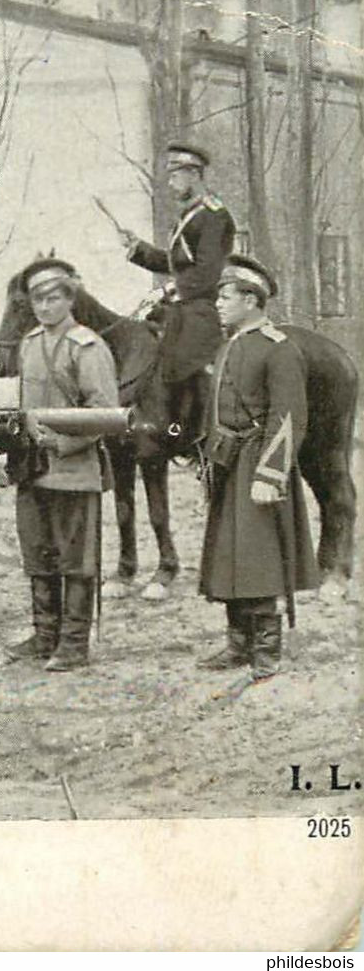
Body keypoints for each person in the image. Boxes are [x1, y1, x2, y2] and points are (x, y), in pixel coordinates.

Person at [197, 256, 318, 680]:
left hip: (257, 463)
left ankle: (267, 648)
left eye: (225, 296)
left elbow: (288, 418)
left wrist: (271, 474)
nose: (218, 304)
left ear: (251, 299)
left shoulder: (278, 348)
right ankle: (238, 642)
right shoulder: (228, 346)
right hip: (228, 463)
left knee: (259, 553)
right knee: (229, 552)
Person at [5, 259, 119, 672]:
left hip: (73, 470)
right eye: (37, 299)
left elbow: (104, 413)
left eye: (54, 297)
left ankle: (73, 643)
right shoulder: (30, 343)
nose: (45, 306)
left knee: (76, 558)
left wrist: (65, 442)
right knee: (38, 552)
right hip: (34, 469)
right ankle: (45, 634)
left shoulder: (87, 346)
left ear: (70, 299)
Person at [121, 142, 236, 437]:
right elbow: (176, 263)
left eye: (175, 177)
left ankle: (195, 433)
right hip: (183, 306)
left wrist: (171, 290)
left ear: (194, 174)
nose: (171, 185)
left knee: (179, 360)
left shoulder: (214, 216)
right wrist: (139, 250)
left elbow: (208, 272)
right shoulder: (190, 215)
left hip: (203, 308)